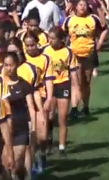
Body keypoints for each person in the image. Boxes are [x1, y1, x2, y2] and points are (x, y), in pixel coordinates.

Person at [7, 37, 45, 179]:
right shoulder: (1, 75)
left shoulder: (29, 70)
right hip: (7, 121)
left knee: (26, 149)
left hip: (23, 118)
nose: (13, 55)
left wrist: (38, 114)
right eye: (9, 52)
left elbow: (34, 94)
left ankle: (29, 173)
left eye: (15, 52)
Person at [62, 0, 108, 117]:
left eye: (85, 5)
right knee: (76, 82)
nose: (83, 7)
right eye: (80, 5)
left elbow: (104, 29)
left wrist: (100, 42)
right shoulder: (70, 20)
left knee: (85, 83)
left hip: (89, 54)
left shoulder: (93, 19)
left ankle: (85, 107)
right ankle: (74, 108)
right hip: (74, 55)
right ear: (76, 7)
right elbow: (62, 34)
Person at [42, 27, 79, 157]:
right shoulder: (44, 50)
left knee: (63, 118)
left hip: (63, 84)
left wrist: (76, 89)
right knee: (50, 117)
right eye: (49, 38)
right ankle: (49, 141)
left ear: (60, 39)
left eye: (53, 38)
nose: (50, 41)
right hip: (49, 86)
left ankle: (62, 147)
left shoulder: (68, 52)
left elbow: (73, 72)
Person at [23, 30, 55, 173]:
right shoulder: (21, 59)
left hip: (40, 96)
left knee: (42, 134)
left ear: (37, 44)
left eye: (32, 45)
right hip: (25, 98)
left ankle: (42, 153)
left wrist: (48, 98)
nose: (30, 48)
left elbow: (48, 80)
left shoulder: (45, 59)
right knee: (32, 133)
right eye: (27, 45)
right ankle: (34, 161)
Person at [1, 52, 36, 180]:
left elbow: (31, 107)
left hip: (21, 127)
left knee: (17, 161)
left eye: (11, 65)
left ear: (17, 65)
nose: (9, 68)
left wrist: (34, 128)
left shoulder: (24, 84)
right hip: (4, 129)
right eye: (6, 65)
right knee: (6, 166)